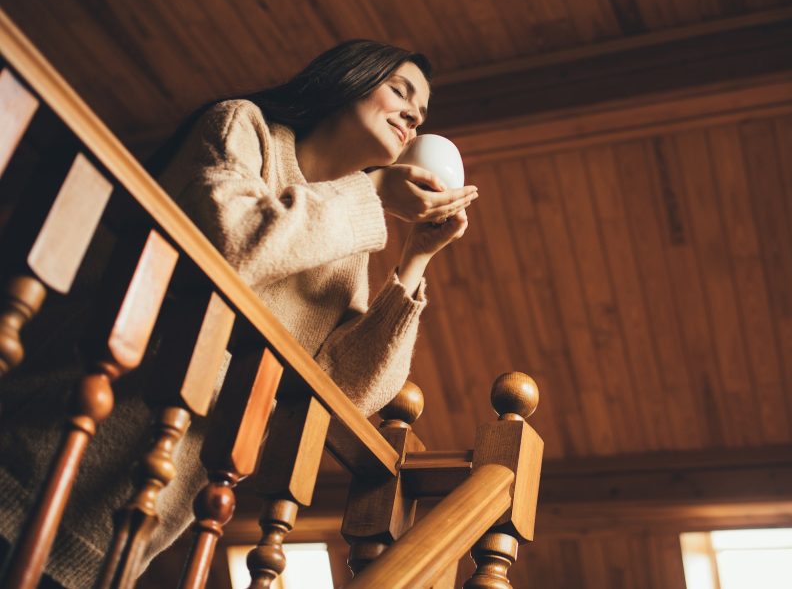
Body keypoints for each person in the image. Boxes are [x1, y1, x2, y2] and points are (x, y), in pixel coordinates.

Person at [0, 40, 475, 587]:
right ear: (347, 80)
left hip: (126, 533)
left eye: (421, 113)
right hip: (35, 459)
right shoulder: (244, 130)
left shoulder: (353, 251)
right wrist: (369, 193)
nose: (415, 115)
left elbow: (348, 391)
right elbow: (233, 242)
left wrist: (416, 256)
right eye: (401, 90)